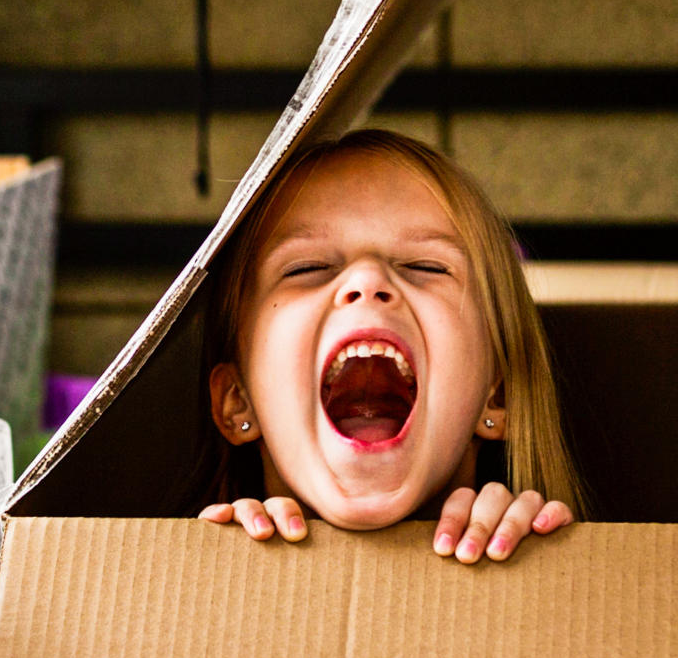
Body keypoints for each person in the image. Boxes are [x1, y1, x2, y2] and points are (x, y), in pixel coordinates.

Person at [192, 129, 580, 564]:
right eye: (307, 267)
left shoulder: (545, 550)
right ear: (236, 401)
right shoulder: (204, 567)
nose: (368, 282)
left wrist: (542, 560)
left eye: (426, 266)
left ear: (498, 395)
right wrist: (220, 564)